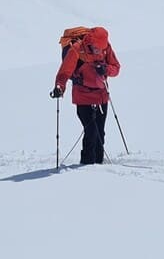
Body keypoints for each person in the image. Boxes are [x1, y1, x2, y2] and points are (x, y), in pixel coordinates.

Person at [49, 26, 120, 165]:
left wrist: (106, 69)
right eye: (97, 48)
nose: (100, 51)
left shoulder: (106, 48)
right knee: (91, 132)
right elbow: (64, 72)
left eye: (102, 48)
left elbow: (116, 67)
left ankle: (99, 165)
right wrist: (59, 87)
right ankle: (87, 166)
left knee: (100, 133)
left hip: (101, 96)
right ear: (90, 42)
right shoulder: (77, 49)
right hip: (82, 96)